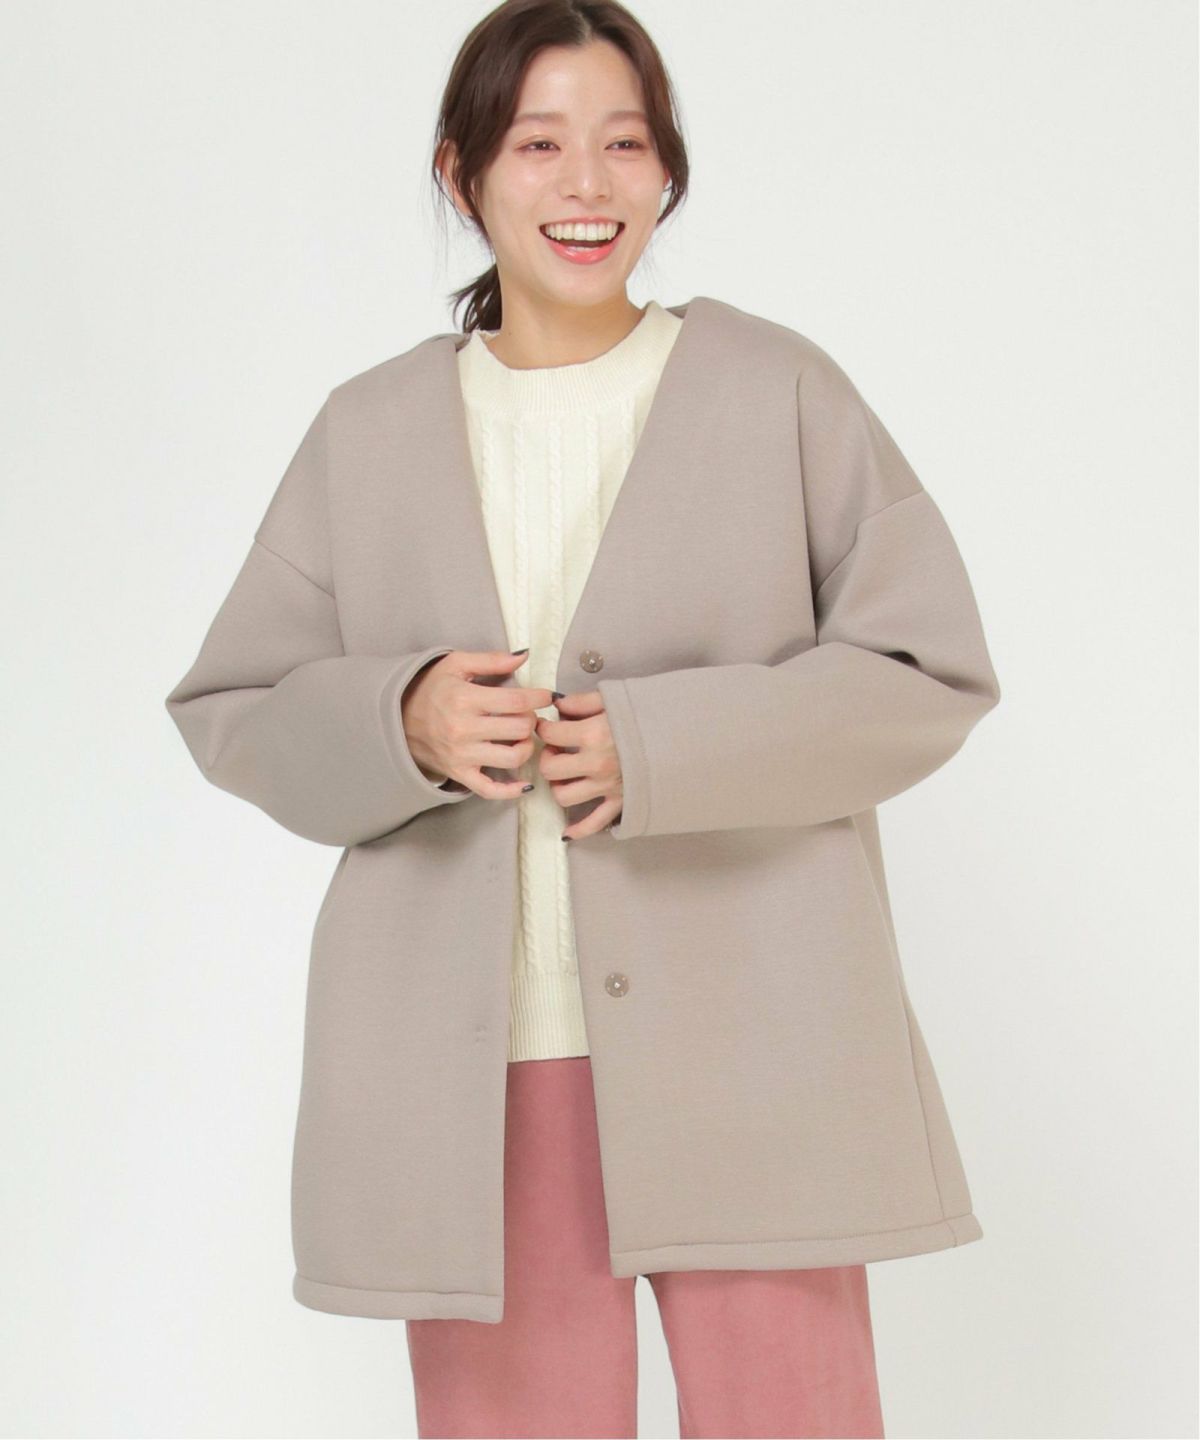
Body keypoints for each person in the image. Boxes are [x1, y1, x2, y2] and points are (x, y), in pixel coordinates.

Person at [164, 2, 1001, 1436]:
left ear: (667, 169)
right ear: (461, 173)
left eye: (625, 143)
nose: (589, 185)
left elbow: (927, 672)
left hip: (759, 1037)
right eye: (538, 144)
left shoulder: (780, 389)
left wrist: (663, 749)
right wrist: (403, 721)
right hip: (475, 1070)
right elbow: (232, 705)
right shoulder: (367, 431)